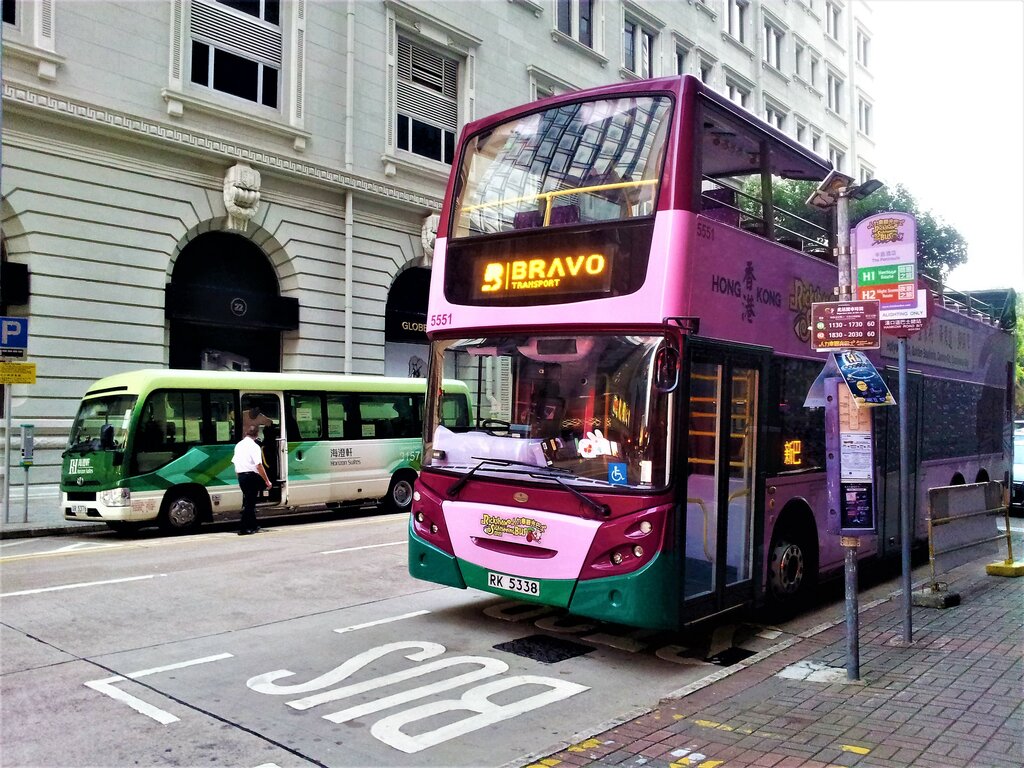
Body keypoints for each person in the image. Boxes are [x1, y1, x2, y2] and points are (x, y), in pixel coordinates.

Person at [232, 423, 272, 535]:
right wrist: (267, 481)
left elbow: (235, 462)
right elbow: (259, 465)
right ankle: (243, 528)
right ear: (257, 434)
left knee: (249, 501)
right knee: (250, 504)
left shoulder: (239, 445)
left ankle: (253, 525)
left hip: (241, 476)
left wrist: (239, 476)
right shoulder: (255, 447)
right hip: (251, 477)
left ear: (246, 433)